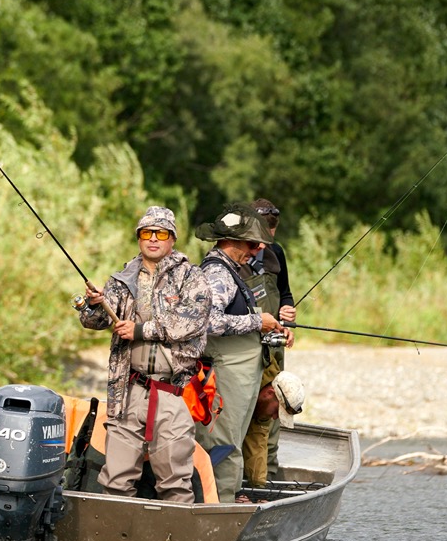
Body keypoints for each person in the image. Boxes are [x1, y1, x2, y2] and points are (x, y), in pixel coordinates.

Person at [77, 206, 211, 503]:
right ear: (139, 237)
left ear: (172, 239)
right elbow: (95, 323)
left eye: (161, 233)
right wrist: (94, 305)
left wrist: (139, 331)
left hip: (172, 392)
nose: (153, 239)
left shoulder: (192, 277)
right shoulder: (122, 278)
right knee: (115, 480)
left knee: (175, 483)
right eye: (146, 233)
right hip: (128, 392)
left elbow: (190, 322)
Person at [193, 203, 286, 502]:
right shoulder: (217, 274)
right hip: (224, 378)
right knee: (223, 443)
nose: (257, 249)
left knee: (232, 441)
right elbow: (207, 321)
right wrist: (259, 321)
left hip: (239, 379)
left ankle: (229, 499)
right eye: (251, 243)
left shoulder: (230, 271)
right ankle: (218, 507)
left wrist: (269, 329)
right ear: (230, 241)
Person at [240, 197, 296, 485]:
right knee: (244, 419)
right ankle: (239, 485)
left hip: (275, 348)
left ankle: (267, 482)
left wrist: (288, 317)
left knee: (273, 417)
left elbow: (285, 294)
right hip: (244, 351)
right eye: (261, 234)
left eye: (271, 233)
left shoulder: (276, 253)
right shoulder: (231, 258)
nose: (266, 242)